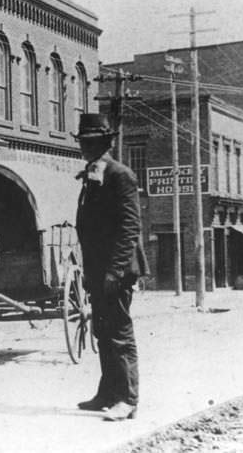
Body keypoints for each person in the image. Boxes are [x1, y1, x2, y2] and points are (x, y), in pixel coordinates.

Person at [73, 114, 147, 422]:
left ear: (105, 143)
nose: (85, 148)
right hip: (98, 268)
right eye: (83, 143)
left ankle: (127, 399)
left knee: (118, 332)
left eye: (91, 143)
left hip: (115, 269)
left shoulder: (120, 174)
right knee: (103, 330)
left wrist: (114, 272)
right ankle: (107, 393)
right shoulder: (93, 175)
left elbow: (130, 227)